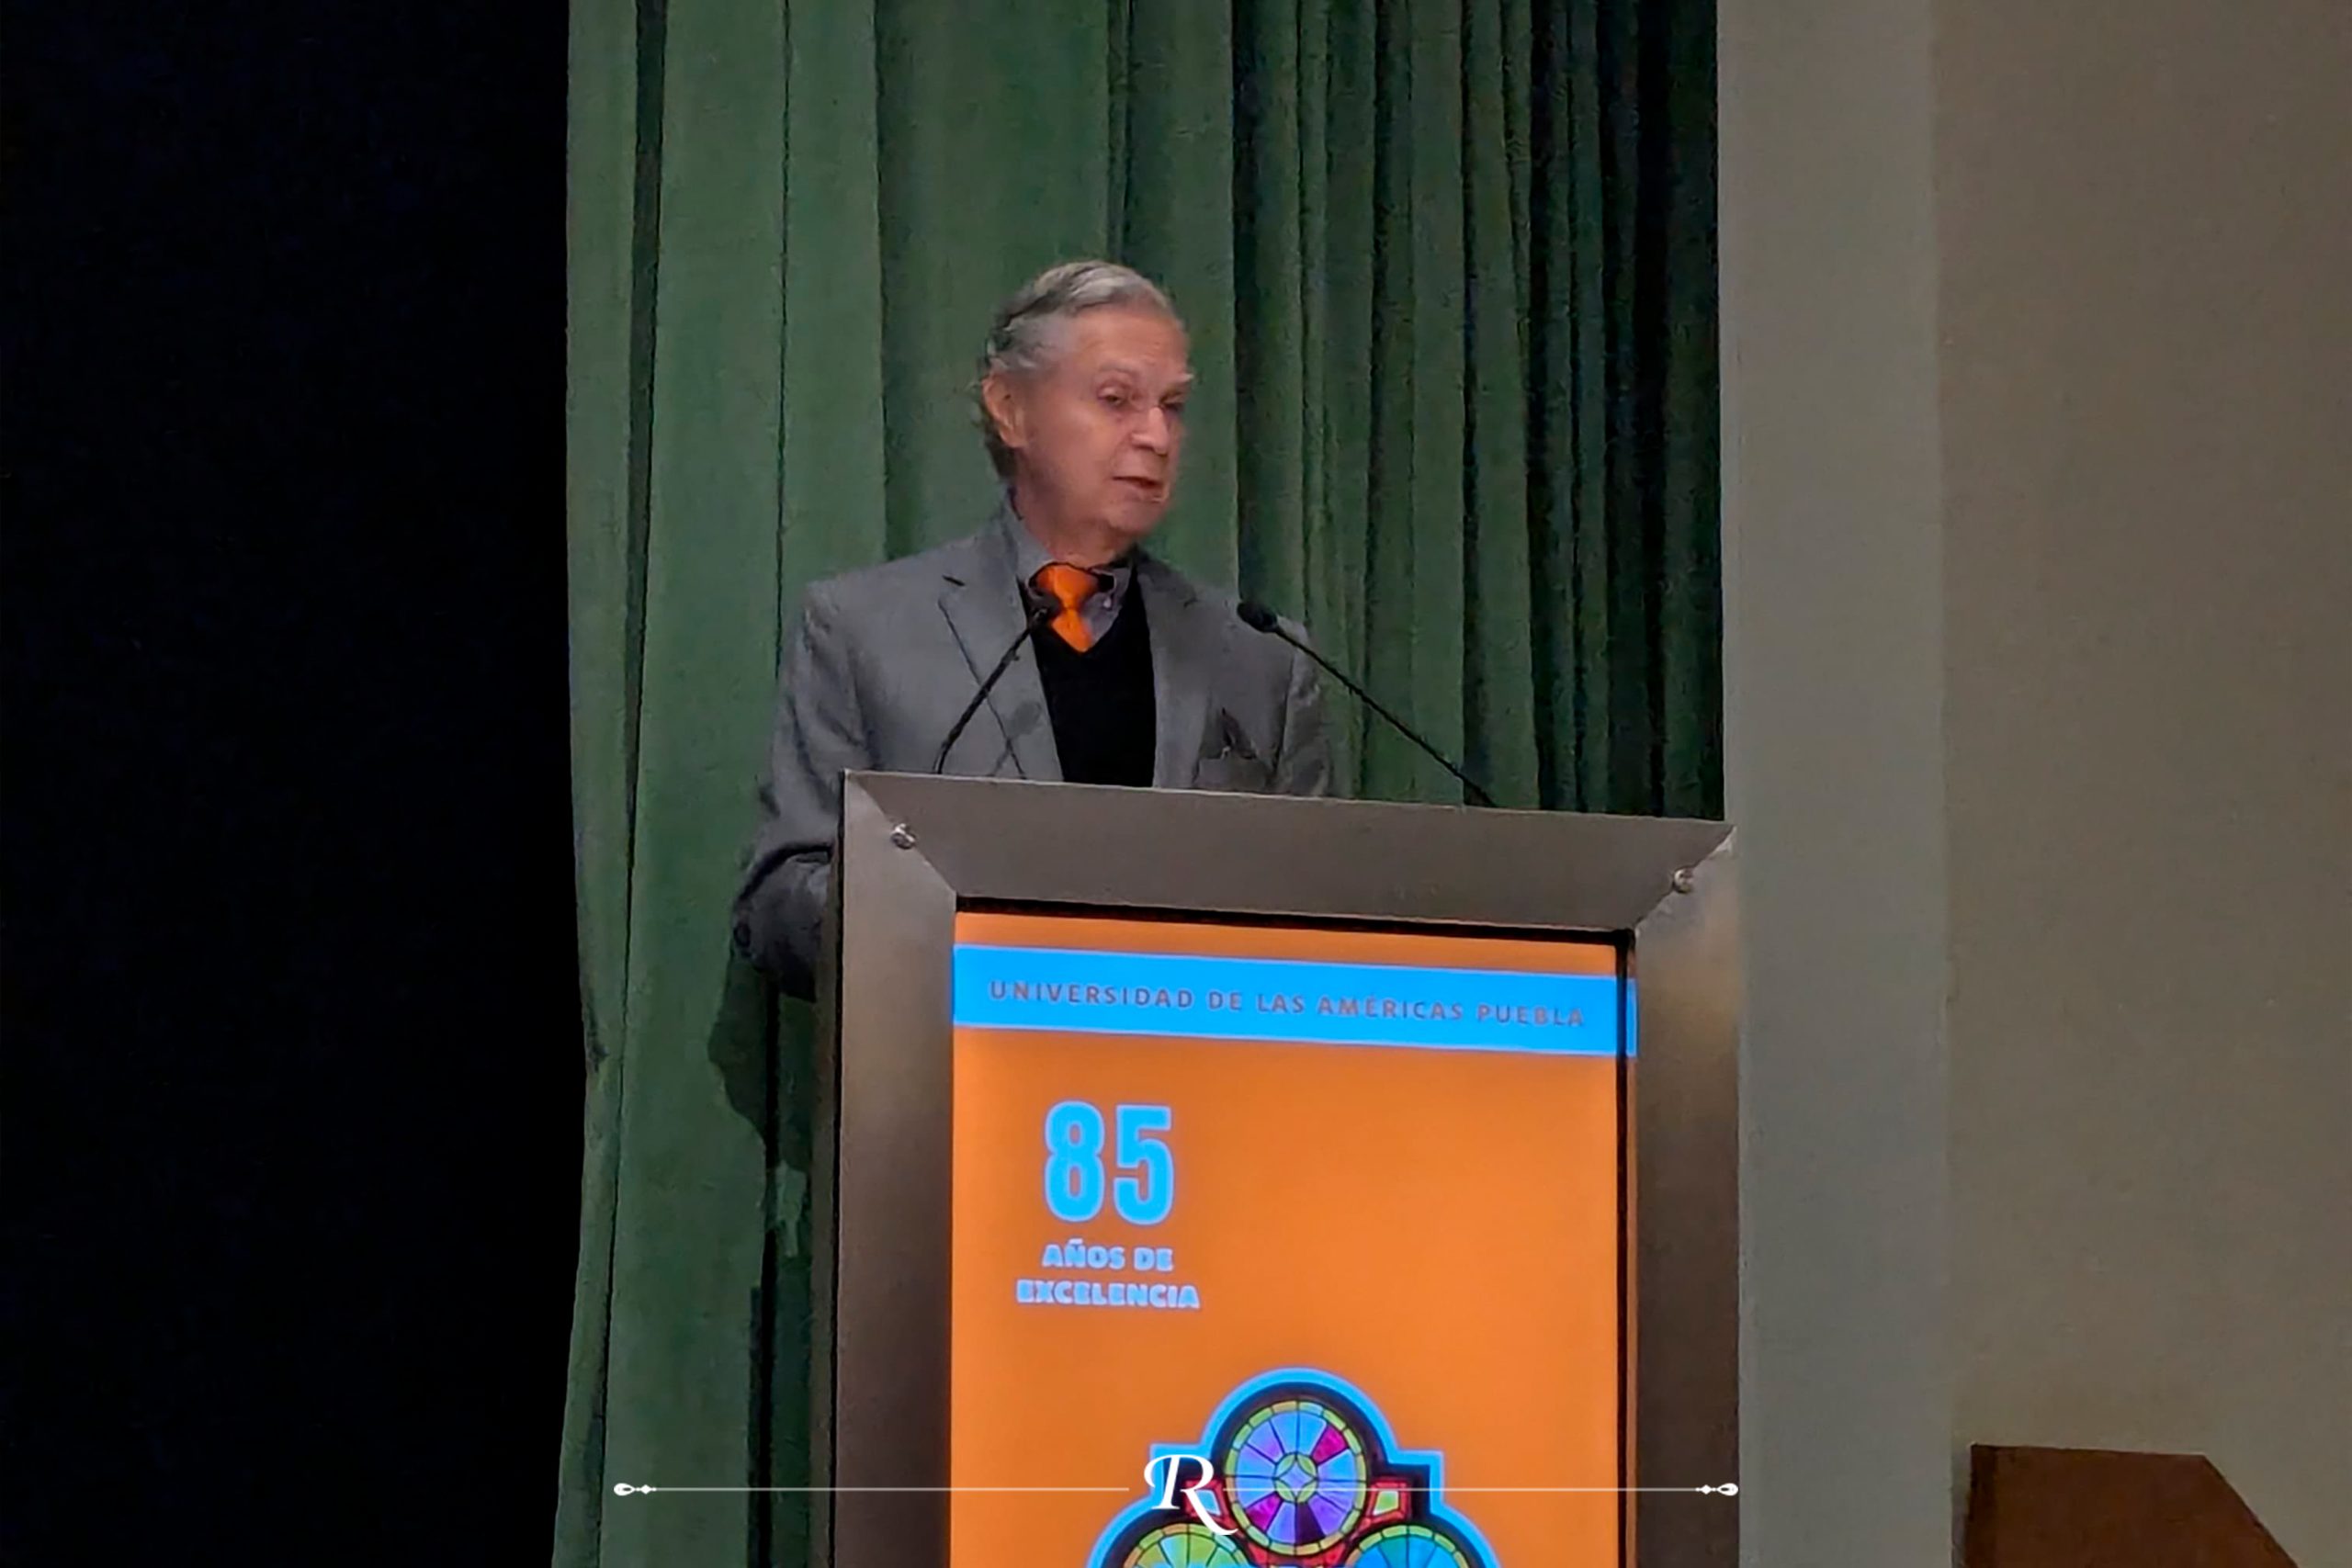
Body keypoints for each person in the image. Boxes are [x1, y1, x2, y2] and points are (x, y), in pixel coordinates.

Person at [733, 260, 1331, 997]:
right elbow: (779, 904)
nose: (1156, 435)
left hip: (1198, 1060)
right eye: (1116, 400)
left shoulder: (1261, 658)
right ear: (1010, 409)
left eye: (1173, 406)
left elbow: (1321, 916)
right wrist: (944, 935)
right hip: (952, 1055)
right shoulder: (862, 631)